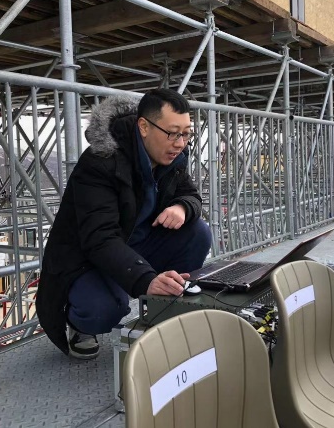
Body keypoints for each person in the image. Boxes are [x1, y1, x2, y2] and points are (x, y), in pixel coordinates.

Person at [36, 89, 212, 359]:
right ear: (144, 127)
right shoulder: (100, 162)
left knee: (197, 232)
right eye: (172, 133)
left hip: (135, 246)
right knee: (102, 310)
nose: (180, 143)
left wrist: (182, 207)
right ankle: (79, 325)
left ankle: (164, 307)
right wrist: (146, 279)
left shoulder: (171, 158)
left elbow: (191, 195)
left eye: (186, 134)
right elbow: (100, 238)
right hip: (88, 259)